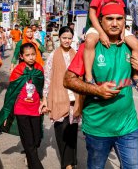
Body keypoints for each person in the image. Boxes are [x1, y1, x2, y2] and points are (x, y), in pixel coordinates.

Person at [64, 3, 138, 169]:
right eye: (109, 19)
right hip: (98, 128)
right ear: (100, 22)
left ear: (125, 21)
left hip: (128, 126)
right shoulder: (89, 48)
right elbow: (68, 80)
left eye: (119, 19)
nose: (115, 23)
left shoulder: (130, 45)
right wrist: (97, 90)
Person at [0, 43, 45, 169]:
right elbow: (11, 94)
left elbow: (42, 88)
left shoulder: (39, 69)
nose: (31, 57)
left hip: (36, 109)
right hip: (21, 110)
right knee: (29, 140)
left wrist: (44, 101)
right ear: (21, 56)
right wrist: (6, 114)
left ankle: (29, 155)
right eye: (27, 55)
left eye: (33, 54)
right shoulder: (18, 71)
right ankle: (35, 165)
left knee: (37, 138)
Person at [42, 26, 82, 169]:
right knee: (61, 133)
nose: (67, 41)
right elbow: (47, 77)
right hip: (59, 98)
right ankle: (67, 164)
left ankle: (71, 162)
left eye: (69, 38)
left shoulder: (76, 54)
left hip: (74, 99)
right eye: (64, 38)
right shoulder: (53, 55)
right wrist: (45, 98)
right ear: (59, 38)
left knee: (72, 133)